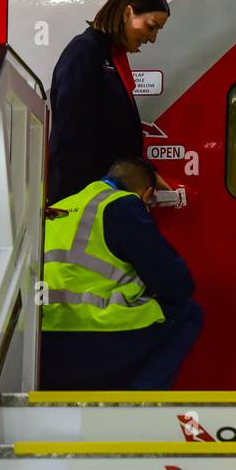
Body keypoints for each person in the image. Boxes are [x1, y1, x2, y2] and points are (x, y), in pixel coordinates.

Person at [41, 156, 202, 390]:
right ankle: (138, 404)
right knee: (188, 312)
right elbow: (175, 284)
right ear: (147, 195)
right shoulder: (121, 204)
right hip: (91, 337)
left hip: (43, 343)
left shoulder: (61, 206)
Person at [47, 0, 170, 204]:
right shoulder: (85, 52)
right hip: (84, 198)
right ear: (127, 12)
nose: (152, 38)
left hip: (103, 196)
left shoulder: (111, 58)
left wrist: (146, 175)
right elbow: (70, 137)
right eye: (151, 26)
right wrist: (71, 202)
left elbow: (113, 136)